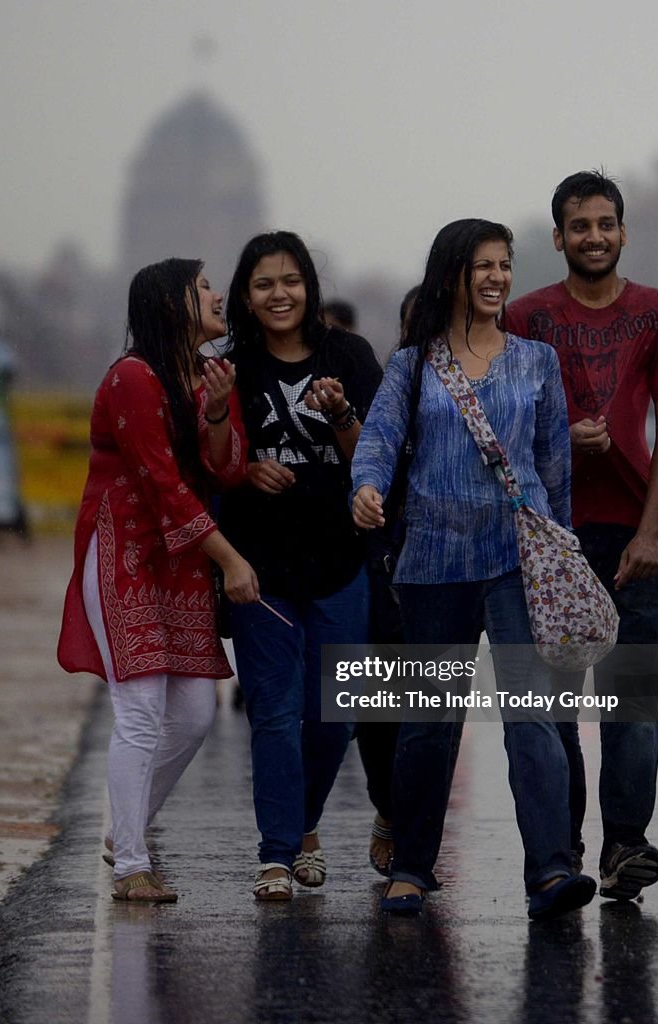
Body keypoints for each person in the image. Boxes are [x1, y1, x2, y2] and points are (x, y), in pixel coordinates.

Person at [352, 218, 596, 918]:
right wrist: (365, 488)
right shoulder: (412, 366)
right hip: (431, 561)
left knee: (532, 717)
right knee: (429, 722)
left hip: (518, 563)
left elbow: (553, 467)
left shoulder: (535, 361)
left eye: (503, 265)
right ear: (451, 275)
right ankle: (412, 867)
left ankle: (550, 871)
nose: (495, 278)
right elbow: (378, 440)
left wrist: (562, 552)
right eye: (481, 266)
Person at [505, 170, 658, 900]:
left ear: (622, 232)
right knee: (553, 707)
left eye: (604, 224)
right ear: (556, 237)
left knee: (633, 704)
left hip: (633, 532)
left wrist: (651, 531)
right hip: (552, 538)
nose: (593, 236)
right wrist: (560, 441)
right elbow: (507, 423)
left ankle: (625, 845)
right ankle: (563, 848)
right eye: (578, 225)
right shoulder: (525, 318)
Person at [57, 259, 260, 902]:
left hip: (179, 560)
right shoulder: (131, 378)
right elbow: (164, 486)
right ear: (171, 303)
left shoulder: (199, 380)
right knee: (141, 712)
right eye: (203, 287)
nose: (218, 294)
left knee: (195, 714)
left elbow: (228, 471)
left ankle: (128, 829)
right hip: (126, 555)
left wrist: (222, 408)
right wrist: (231, 559)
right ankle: (131, 867)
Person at [221, 230, 383, 900]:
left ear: (308, 287)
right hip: (260, 566)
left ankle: (304, 822)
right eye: (263, 284)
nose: (278, 294)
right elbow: (209, 458)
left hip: (340, 561)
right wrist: (243, 467)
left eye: (289, 281)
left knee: (335, 717)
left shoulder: (349, 355)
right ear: (246, 296)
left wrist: (340, 410)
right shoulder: (231, 366)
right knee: (274, 712)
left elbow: (374, 454)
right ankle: (277, 856)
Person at [356, 282, 421, 877]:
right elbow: (366, 455)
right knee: (380, 709)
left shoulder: (495, 381)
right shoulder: (390, 387)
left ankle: (414, 840)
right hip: (382, 560)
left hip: (453, 562)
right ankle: (386, 809)